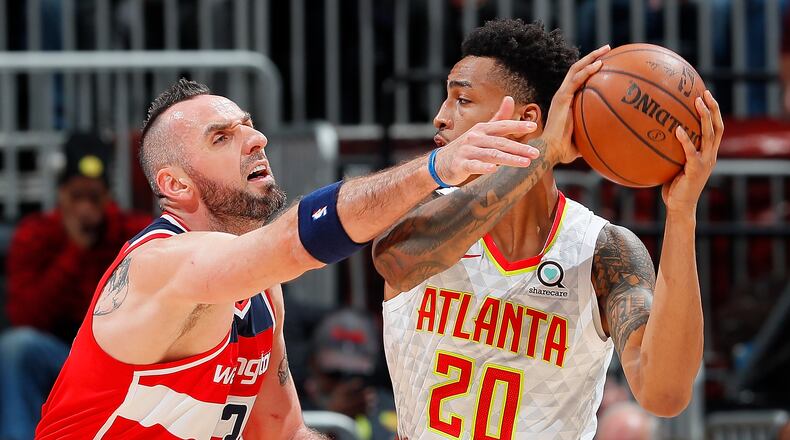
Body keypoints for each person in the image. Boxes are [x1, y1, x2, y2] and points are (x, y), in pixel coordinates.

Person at [34, 78, 544, 439]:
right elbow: (291, 242)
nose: (257, 140)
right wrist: (435, 169)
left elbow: (284, 432)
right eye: (222, 137)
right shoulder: (159, 264)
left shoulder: (261, 291)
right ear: (176, 184)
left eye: (249, 126)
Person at [372, 19, 723, 438]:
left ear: (528, 119)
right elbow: (396, 263)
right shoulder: (423, 209)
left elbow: (664, 394)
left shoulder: (603, 250)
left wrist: (682, 213)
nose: (440, 117)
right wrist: (545, 151)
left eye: (462, 99)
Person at [0, 132, 150, 440]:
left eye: (93, 197)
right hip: (60, 352)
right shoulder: (36, 234)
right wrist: (74, 252)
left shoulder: (132, 233)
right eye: (76, 196)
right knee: (17, 347)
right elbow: (25, 316)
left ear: (107, 196)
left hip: (117, 355)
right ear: (61, 194)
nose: (84, 208)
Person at [302, 308, 397, 440]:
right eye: (335, 374)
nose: (345, 384)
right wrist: (332, 422)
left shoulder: (394, 410)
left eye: (356, 374)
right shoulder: (294, 408)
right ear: (313, 364)